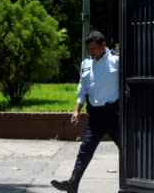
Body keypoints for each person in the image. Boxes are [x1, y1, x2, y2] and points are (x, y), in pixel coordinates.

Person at [51, 30, 120, 193]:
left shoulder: (116, 61)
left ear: (104, 45)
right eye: (89, 50)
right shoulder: (86, 64)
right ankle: (72, 184)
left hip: (114, 114)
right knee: (85, 150)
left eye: (94, 49)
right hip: (95, 115)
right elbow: (82, 90)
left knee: (126, 150)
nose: (91, 52)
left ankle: (132, 184)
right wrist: (76, 111)